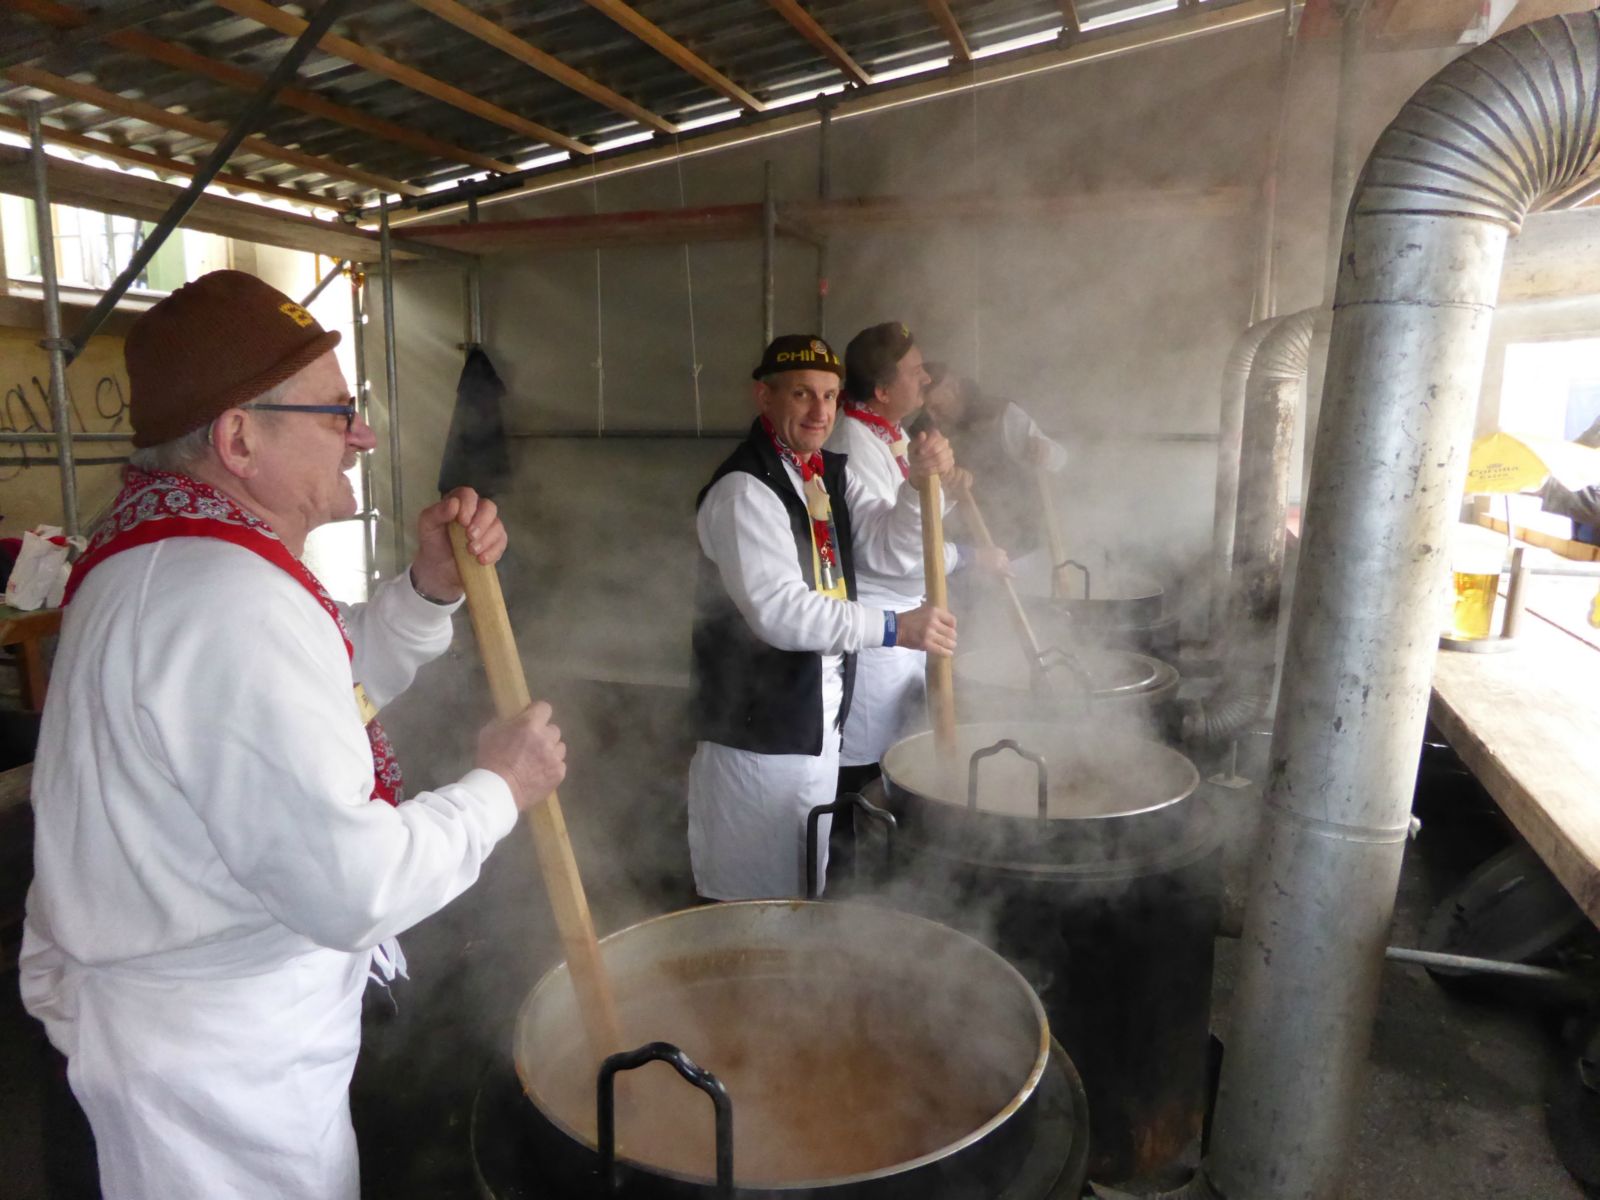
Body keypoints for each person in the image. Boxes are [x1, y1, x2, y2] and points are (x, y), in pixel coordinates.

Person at [20, 270, 567, 1200]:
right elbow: (355, 884)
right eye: (336, 413)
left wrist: (427, 589)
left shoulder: (176, 554)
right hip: (210, 1086)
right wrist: (499, 789)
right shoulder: (227, 600)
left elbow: (322, 683)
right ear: (239, 438)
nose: (363, 436)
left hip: (201, 1040)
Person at [688, 333, 958, 900]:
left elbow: (888, 550)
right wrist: (894, 626)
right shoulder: (745, 489)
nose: (820, 411)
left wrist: (917, 488)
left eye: (830, 396)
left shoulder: (824, 473)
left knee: (803, 886)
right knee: (757, 900)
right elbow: (779, 612)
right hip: (759, 737)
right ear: (765, 397)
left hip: (817, 725)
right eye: (802, 394)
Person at [825, 322, 1003, 796]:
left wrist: (945, 488)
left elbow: (915, 520)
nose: (926, 379)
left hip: (908, 622)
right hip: (877, 632)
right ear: (883, 390)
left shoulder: (889, 433)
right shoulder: (852, 445)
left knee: (900, 752)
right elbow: (888, 554)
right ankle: (856, 835)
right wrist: (964, 554)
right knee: (869, 766)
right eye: (916, 370)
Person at [922, 363, 1069, 562]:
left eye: (936, 408)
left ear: (954, 388)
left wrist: (1047, 451)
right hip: (971, 551)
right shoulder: (924, 433)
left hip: (1025, 541)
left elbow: (1060, 459)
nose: (932, 417)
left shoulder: (1001, 415)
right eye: (925, 410)